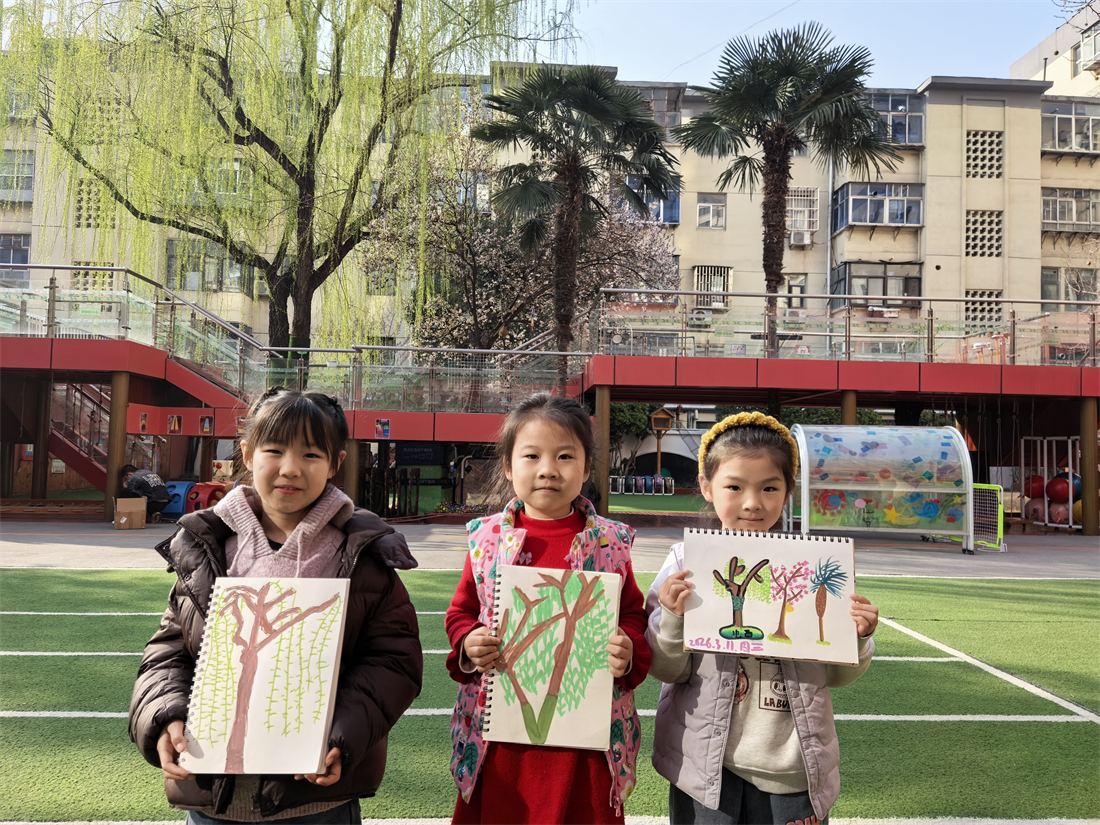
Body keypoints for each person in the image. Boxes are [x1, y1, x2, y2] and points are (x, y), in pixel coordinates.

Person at [128, 388, 423, 824]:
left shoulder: (361, 554)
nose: (290, 468)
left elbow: (393, 661)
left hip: (316, 800)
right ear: (248, 453)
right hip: (214, 796)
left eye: (311, 455)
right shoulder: (208, 546)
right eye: (274, 450)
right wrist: (165, 716)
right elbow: (169, 651)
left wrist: (342, 735)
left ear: (336, 463)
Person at [645, 412, 879, 825]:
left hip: (794, 767)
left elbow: (837, 677)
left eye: (769, 487)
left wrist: (857, 637)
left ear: (787, 492)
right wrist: (673, 617)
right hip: (706, 769)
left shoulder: (810, 567)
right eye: (734, 486)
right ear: (707, 487)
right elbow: (667, 669)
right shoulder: (684, 565)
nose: (753, 502)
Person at [444, 393, 652, 824]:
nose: (548, 469)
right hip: (499, 738)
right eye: (532, 455)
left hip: (586, 739)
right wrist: (469, 641)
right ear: (508, 466)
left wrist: (628, 646)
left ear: (587, 468)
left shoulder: (611, 543)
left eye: (565, 456)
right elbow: (460, 612)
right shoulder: (486, 540)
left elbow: (633, 614)